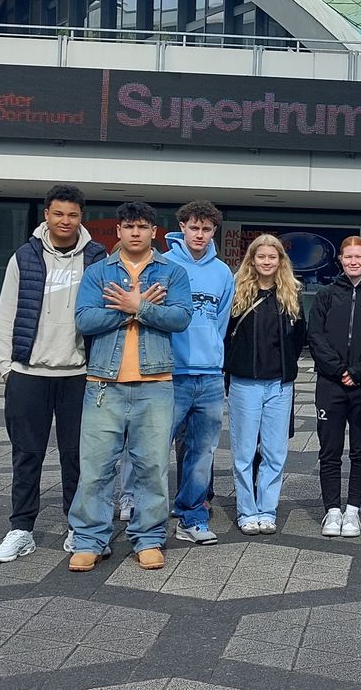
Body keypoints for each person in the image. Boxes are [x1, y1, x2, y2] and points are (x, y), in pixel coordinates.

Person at [68, 203, 193, 572]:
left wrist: (142, 307)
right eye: (128, 226)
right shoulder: (98, 272)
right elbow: (85, 319)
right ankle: (91, 539)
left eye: (142, 226)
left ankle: (150, 538)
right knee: (95, 468)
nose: (135, 232)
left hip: (155, 385)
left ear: (154, 231)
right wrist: (132, 307)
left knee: (151, 467)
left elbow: (181, 317)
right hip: (104, 384)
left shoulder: (173, 272)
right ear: (118, 231)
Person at [0, 184, 106, 564]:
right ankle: (21, 529)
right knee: (27, 455)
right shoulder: (24, 257)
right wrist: (6, 366)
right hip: (28, 373)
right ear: (47, 215)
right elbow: (7, 311)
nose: (65, 221)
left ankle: (79, 528)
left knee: (78, 457)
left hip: (79, 374)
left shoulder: (97, 257)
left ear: (80, 217)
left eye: (72, 215)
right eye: (58, 214)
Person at [307, 236, 361, 539]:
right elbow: (315, 335)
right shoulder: (327, 294)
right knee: (329, 451)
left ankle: (353, 509)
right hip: (330, 384)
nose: (354, 262)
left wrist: (357, 371)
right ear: (340, 260)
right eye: (348, 257)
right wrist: (339, 370)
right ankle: (332, 510)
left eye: (359, 257)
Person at [225, 234, 308, 536]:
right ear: (252, 259)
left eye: (272, 257)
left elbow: (299, 338)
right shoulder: (237, 293)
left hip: (279, 385)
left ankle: (267, 510)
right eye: (261, 257)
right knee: (244, 453)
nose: (266, 262)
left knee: (275, 453)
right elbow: (226, 337)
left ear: (280, 261)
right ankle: (247, 511)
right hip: (245, 383)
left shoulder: (291, 294)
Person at [163, 200, 234, 547]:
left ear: (213, 232)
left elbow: (221, 322)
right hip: (171, 373)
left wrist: (212, 355)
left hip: (208, 376)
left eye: (206, 229)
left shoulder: (222, 272)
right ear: (182, 228)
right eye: (194, 227)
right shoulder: (163, 264)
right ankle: (149, 519)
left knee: (202, 453)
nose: (200, 235)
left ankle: (192, 516)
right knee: (155, 448)